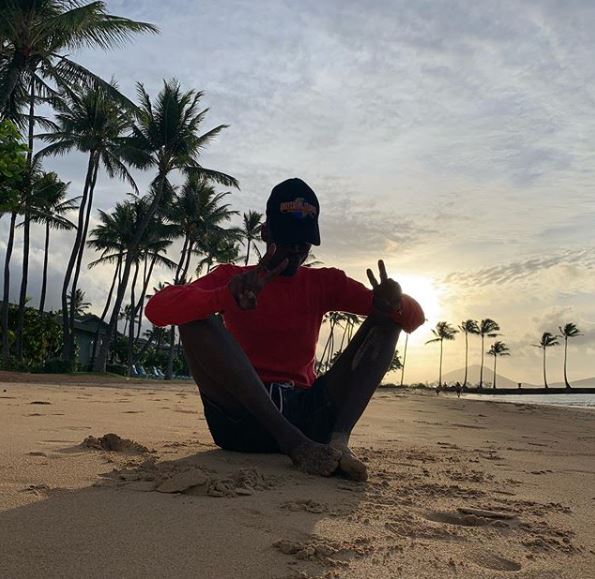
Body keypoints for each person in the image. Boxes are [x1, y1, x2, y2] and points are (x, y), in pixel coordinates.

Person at [145, 178, 425, 481]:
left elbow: (414, 318)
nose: (295, 250)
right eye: (288, 238)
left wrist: (393, 303)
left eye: (304, 242)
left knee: (386, 318)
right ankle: (292, 443)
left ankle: (339, 442)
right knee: (193, 318)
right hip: (242, 417)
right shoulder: (234, 278)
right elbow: (158, 309)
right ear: (266, 233)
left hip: (309, 417)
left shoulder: (323, 283)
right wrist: (225, 296)